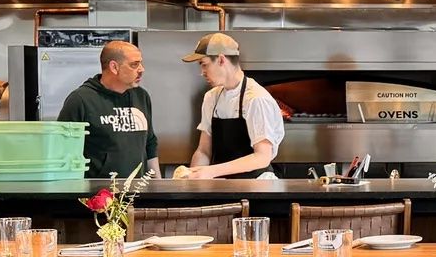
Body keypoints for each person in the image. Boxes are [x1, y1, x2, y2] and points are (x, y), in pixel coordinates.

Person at [173, 33, 284, 180]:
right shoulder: (211, 97)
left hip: (257, 186)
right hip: (222, 184)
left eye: (204, 64)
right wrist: (193, 178)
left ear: (221, 59)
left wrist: (211, 172)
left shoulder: (256, 99)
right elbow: (204, 151)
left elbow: (262, 157)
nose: (202, 72)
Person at [56, 40, 158, 179]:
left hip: (137, 193)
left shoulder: (141, 96)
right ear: (114, 67)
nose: (141, 69)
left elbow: (150, 143)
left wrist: (157, 184)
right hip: (97, 195)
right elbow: (62, 152)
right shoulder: (80, 100)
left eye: (141, 63)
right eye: (134, 64)